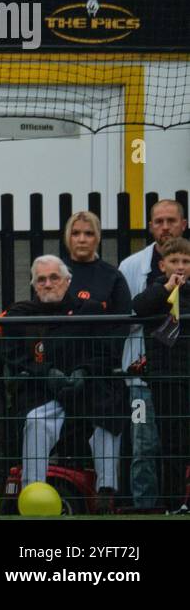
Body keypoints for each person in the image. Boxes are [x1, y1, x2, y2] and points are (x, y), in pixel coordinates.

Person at [0, 255, 122, 511]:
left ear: (67, 281)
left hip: (87, 390)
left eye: (54, 278)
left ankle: (106, 492)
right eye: (41, 279)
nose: (48, 284)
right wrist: (45, 372)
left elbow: (108, 352)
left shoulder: (91, 311)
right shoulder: (20, 315)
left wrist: (85, 372)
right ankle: (32, 493)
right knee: (36, 422)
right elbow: (11, 355)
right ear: (33, 284)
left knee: (108, 417)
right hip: (43, 391)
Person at [56, 209, 130, 512]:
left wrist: (97, 363)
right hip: (64, 370)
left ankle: (105, 488)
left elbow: (122, 324)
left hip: (101, 370)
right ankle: (63, 489)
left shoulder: (112, 276)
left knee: (107, 420)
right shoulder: (56, 273)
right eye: (76, 233)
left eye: (88, 233)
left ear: (97, 237)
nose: (82, 239)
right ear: (68, 238)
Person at [118, 198, 187, 510]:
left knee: (178, 438)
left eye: (171, 220)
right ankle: (146, 506)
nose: (165, 227)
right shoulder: (132, 266)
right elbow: (133, 310)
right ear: (150, 226)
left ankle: (175, 502)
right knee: (144, 444)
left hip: (179, 371)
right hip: (140, 378)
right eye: (158, 221)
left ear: (183, 224)